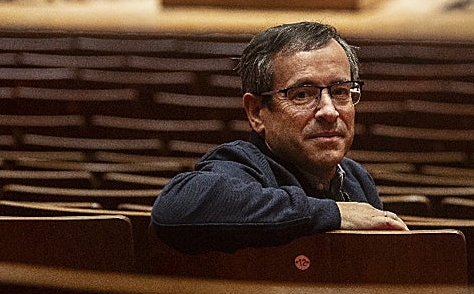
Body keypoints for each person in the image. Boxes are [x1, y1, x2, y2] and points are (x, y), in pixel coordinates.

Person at [151, 20, 407, 253]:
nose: (329, 111)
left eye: (340, 91)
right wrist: (334, 213)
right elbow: (178, 208)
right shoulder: (242, 165)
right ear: (256, 112)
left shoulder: (356, 179)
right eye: (302, 95)